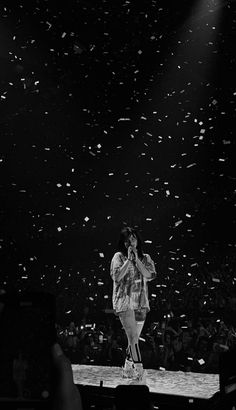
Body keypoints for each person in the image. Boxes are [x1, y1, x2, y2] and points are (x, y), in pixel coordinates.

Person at [110, 226, 157, 383]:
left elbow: (149, 275)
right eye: (127, 240)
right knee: (133, 337)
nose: (131, 242)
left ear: (138, 240)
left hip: (141, 304)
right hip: (124, 302)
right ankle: (140, 372)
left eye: (133, 239)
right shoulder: (118, 257)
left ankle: (127, 367)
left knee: (134, 339)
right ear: (123, 243)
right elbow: (116, 277)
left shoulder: (146, 258)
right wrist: (129, 261)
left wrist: (136, 260)